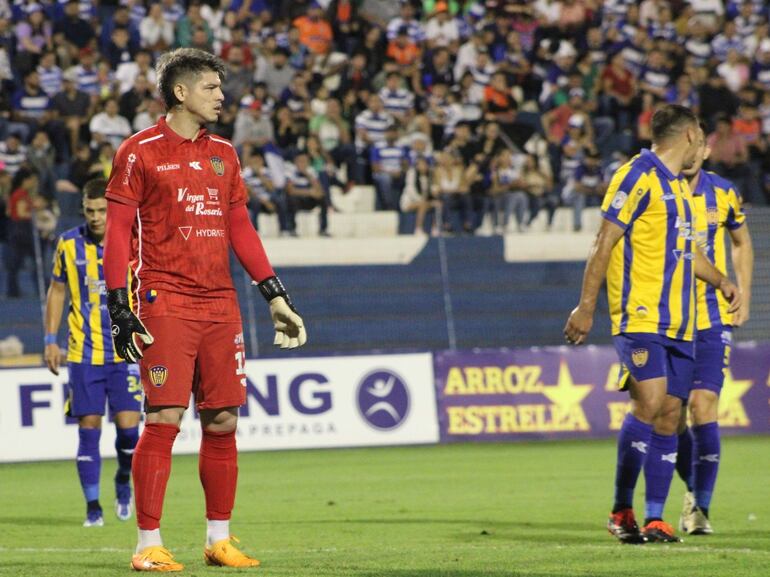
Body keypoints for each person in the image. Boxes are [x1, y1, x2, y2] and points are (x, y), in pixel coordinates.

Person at [102, 48, 306, 572]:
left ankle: (219, 539)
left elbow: (240, 228)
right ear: (181, 92)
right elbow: (119, 232)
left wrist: (274, 294)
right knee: (164, 415)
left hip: (220, 302)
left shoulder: (225, 153)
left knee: (222, 421)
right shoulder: (138, 150)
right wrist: (119, 305)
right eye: (212, 88)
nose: (222, 96)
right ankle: (148, 544)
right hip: (164, 298)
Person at [563, 104, 741, 544]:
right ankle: (621, 509)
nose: (702, 146)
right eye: (699, 137)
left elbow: (686, 252)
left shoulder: (679, 191)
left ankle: (656, 516)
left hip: (682, 321)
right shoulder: (635, 175)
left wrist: (721, 280)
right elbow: (604, 241)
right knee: (650, 402)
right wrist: (586, 306)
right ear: (685, 138)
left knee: (669, 413)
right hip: (640, 314)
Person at [43, 178, 141, 528]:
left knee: (130, 432)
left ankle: (123, 481)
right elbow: (57, 291)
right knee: (89, 427)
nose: (97, 217)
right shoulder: (68, 244)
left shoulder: (132, 240)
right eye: (90, 210)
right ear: (82, 208)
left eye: (102, 210)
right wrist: (50, 339)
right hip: (83, 353)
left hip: (124, 351)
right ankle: (93, 507)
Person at [673, 124, 754, 535]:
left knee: (703, 407)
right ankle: (692, 488)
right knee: (668, 417)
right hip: (665, 315)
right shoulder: (658, 188)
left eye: (697, 145)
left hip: (710, 315)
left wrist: (744, 294)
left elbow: (742, 242)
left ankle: (699, 508)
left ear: (705, 151)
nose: (690, 151)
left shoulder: (723, 192)